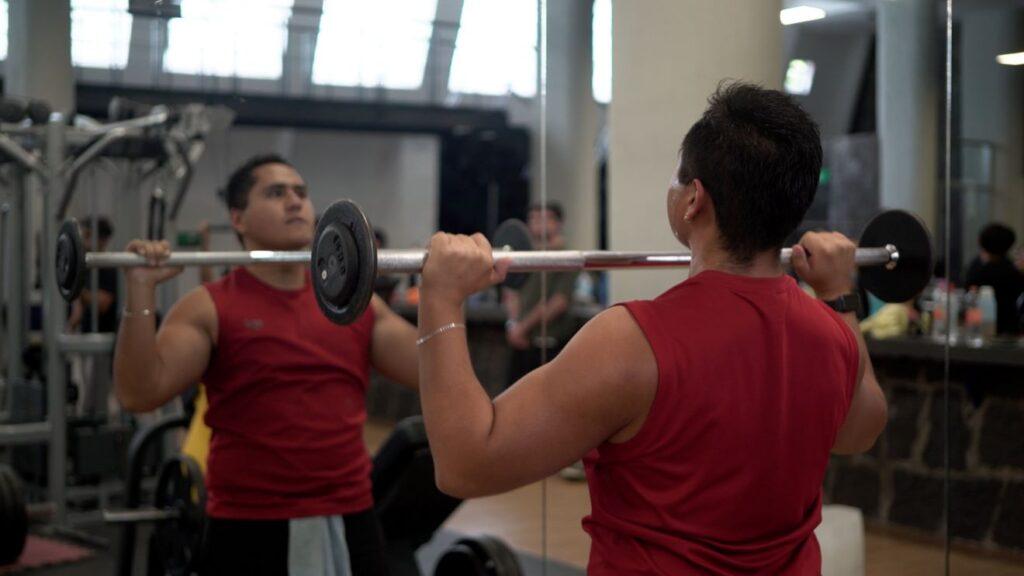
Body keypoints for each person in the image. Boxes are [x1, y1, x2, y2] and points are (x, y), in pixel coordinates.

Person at [415, 83, 886, 574]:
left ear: (693, 200)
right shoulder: (832, 332)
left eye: (677, 177)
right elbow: (861, 430)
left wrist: (442, 298)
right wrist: (838, 296)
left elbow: (466, 463)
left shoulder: (631, 343)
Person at [113, 154, 420, 576]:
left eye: (301, 193)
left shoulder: (354, 304)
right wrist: (140, 294)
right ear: (238, 218)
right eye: (276, 193)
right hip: (248, 524)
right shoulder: (209, 306)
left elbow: (429, 369)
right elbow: (138, 392)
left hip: (351, 514)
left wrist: (446, 292)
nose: (295, 202)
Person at [503, 202, 579, 385]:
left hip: (550, 345)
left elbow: (558, 302)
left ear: (558, 223)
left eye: (544, 218)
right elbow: (512, 292)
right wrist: (513, 325)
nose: (537, 223)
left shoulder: (567, 257)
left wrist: (522, 328)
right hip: (522, 344)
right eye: (533, 218)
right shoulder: (526, 256)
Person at [67, 216, 118, 416]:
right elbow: (80, 308)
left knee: (97, 403)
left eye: (88, 235)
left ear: (103, 240)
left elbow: (103, 303)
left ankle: (100, 438)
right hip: (86, 339)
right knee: (86, 401)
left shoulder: (107, 267)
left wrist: (78, 289)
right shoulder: (86, 267)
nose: (85, 241)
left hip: (103, 342)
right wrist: (70, 326)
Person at [964, 223, 1024, 335]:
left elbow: (970, 297)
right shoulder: (1013, 271)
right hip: (1011, 329)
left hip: (981, 328)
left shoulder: (977, 269)